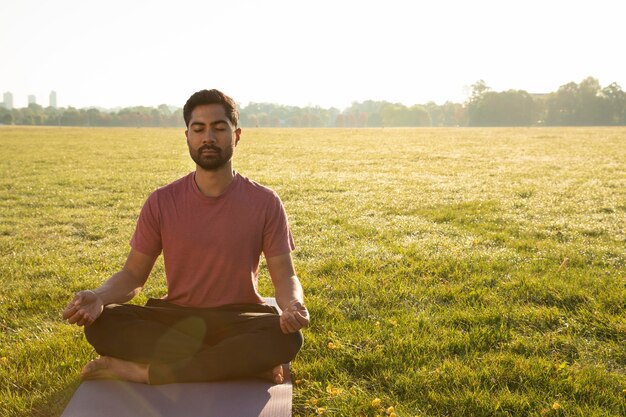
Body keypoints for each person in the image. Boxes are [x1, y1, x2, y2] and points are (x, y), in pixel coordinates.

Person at [62, 89, 309, 385]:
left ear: (237, 135)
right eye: (199, 129)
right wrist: (99, 297)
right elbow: (133, 275)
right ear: (187, 136)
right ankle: (239, 364)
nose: (209, 137)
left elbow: (285, 277)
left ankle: (145, 372)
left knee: (286, 338)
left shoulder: (265, 202)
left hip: (239, 318)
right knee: (104, 324)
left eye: (219, 128)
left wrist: (293, 305)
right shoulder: (162, 201)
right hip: (176, 317)